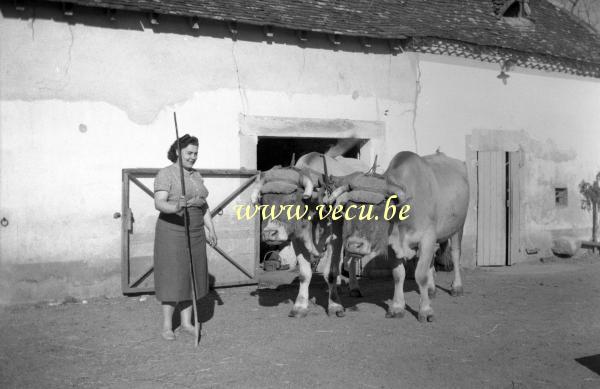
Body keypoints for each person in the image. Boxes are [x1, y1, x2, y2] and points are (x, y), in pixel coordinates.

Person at [153, 134, 218, 341]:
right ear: (178, 152)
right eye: (189, 153)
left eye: (195, 153)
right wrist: (176, 206)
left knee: (192, 275)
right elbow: (159, 203)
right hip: (173, 229)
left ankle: (187, 323)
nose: (193, 157)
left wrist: (211, 229)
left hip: (196, 229)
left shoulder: (196, 176)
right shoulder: (166, 174)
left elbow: (203, 204)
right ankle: (166, 327)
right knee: (173, 275)